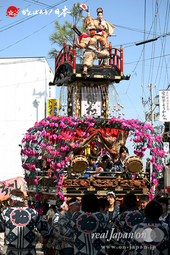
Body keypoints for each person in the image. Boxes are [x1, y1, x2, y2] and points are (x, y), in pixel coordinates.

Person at [0, 188, 58, 255]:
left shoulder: (6, 213)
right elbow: (46, 232)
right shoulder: (33, 213)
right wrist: (55, 234)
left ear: (12, 201)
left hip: (12, 252)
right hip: (29, 252)